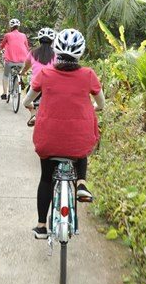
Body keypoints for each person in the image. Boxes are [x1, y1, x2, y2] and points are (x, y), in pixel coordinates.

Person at [23, 29, 105, 239]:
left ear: (57, 50)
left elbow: (27, 100)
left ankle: (42, 226)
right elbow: (101, 103)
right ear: (80, 53)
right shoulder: (88, 75)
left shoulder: (45, 74)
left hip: (48, 140)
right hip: (78, 141)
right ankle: (81, 183)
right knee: (80, 143)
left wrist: (30, 104)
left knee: (46, 179)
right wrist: (95, 108)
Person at [19, 27, 55, 126]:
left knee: (28, 102)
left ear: (39, 40)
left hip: (36, 86)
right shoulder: (56, 55)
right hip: (51, 87)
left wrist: (22, 72)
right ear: (52, 41)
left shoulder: (33, 52)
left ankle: (33, 114)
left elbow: (26, 66)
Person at [0, 18, 29, 100]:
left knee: (6, 75)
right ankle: (19, 81)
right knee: (19, 72)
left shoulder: (7, 35)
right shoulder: (23, 35)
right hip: (22, 61)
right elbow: (27, 47)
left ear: (10, 27)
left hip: (10, 60)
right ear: (18, 27)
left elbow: (2, 45)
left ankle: (4, 93)